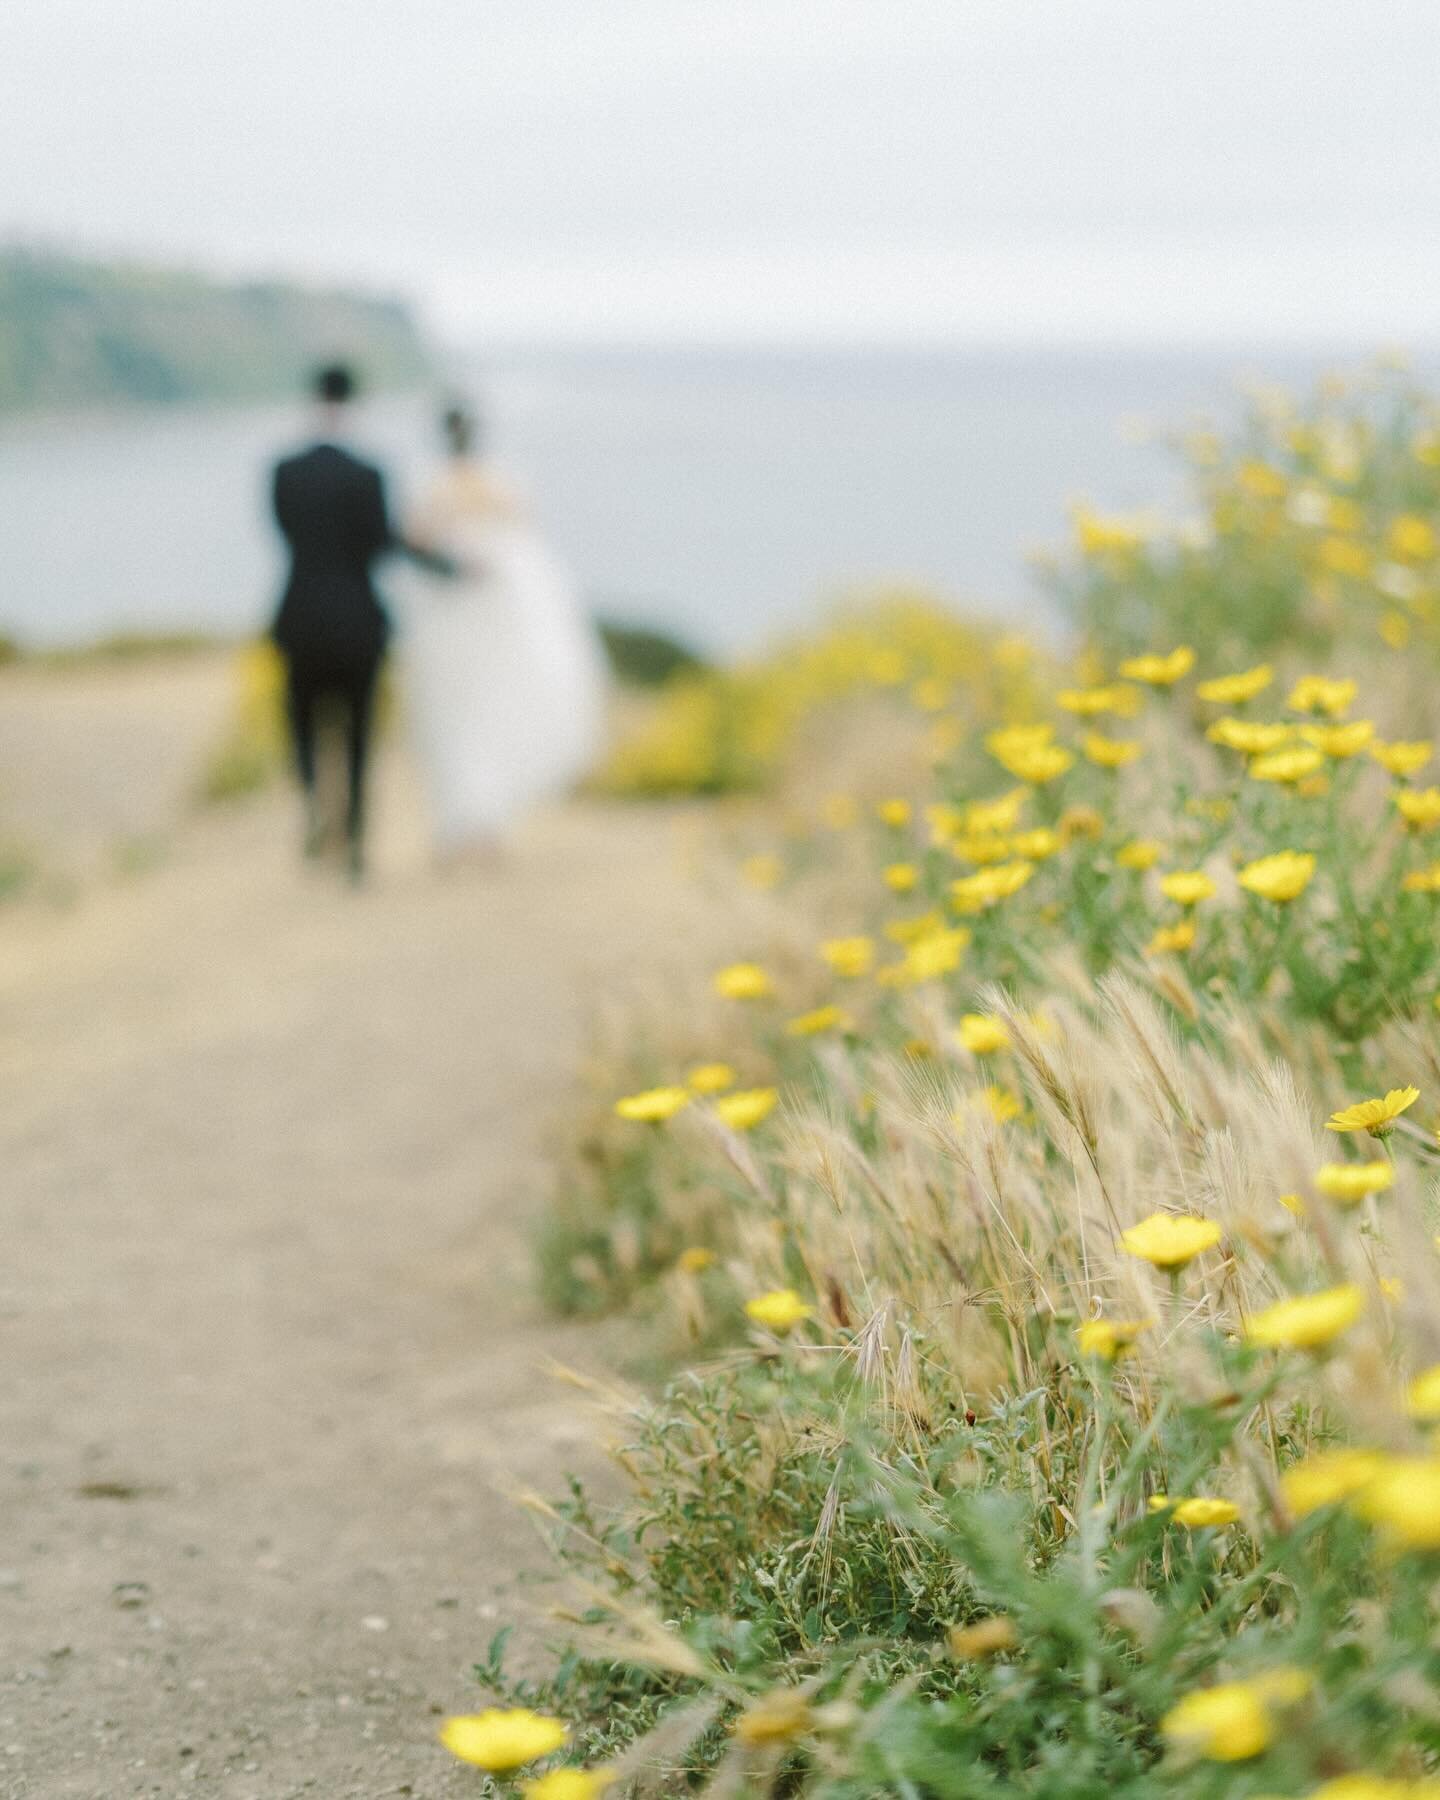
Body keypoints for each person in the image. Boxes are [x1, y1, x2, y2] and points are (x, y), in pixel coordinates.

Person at [269, 363, 452, 881]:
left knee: (302, 727)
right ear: (355, 401)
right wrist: (448, 566)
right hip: (359, 621)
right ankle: (355, 842)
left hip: (300, 616)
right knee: (360, 733)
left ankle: (311, 806)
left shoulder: (285, 471)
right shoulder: (368, 473)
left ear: (313, 397)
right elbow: (383, 545)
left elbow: (284, 536)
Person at [400, 402, 606, 859]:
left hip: (456, 623)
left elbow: (416, 546)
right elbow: (526, 551)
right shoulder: (500, 483)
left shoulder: (433, 484)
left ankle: (468, 819)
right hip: (478, 621)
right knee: (480, 715)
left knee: (460, 718)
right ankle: (478, 820)